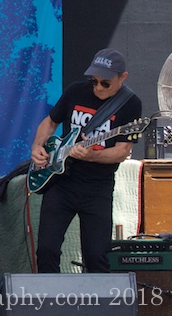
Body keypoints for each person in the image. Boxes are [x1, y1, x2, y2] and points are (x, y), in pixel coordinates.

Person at [31, 48, 142, 273]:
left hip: (97, 188)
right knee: (46, 250)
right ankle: (49, 305)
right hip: (62, 182)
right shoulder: (75, 91)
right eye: (94, 81)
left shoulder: (131, 104)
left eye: (105, 83)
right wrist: (37, 146)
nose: (98, 87)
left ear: (123, 77)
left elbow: (122, 151)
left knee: (97, 255)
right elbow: (51, 122)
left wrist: (93, 155)